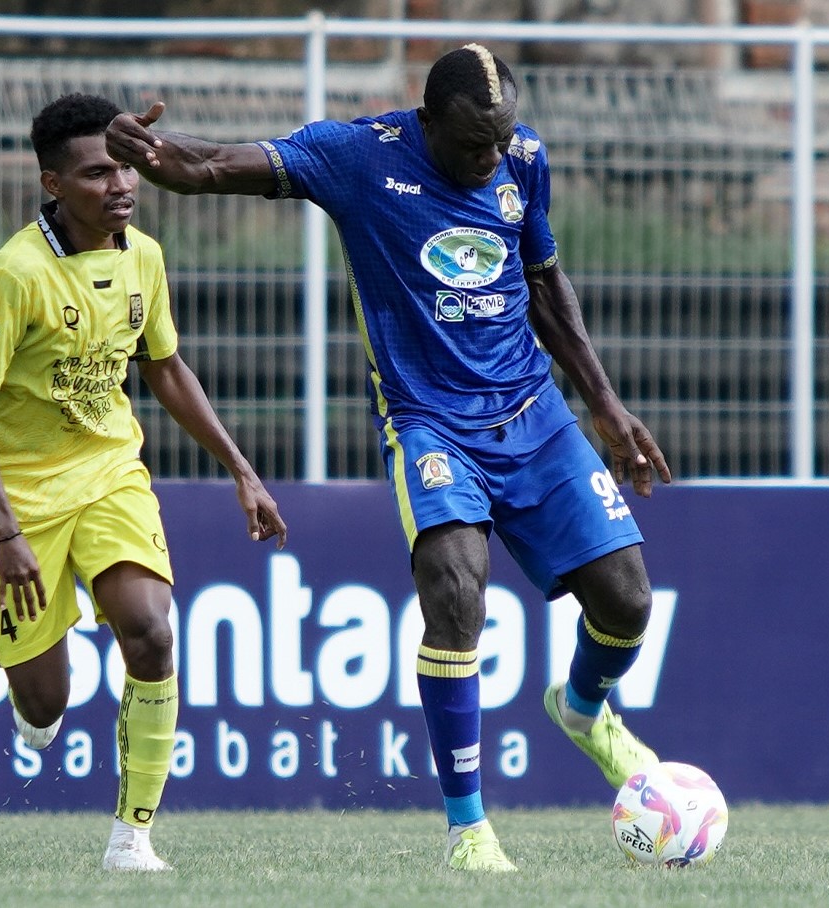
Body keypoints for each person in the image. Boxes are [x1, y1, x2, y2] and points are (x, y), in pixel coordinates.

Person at [106, 44, 670, 873]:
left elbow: (544, 282)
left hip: (533, 412)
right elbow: (217, 165)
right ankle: (469, 831)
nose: (491, 158)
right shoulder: (358, 156)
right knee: (455, 591)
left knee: (628, 603)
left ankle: (584, 709)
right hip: (429, 422)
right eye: (475, 143)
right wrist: (154, 156)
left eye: (501, 139)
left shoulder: (523, 158)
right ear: (429, 121)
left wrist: (607, 406)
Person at [0, 93, 287, 872]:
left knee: (152, 631)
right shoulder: (16, 272)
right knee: (43, 701)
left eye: (124, 166)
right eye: (97, 172)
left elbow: (163, 366)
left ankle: (133, 837)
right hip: (17, 493)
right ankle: (32, 705)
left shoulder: (144, 256)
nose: (119, 183)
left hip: (109, 471)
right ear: (54, 184)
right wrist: (8, 531)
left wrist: (242, 469)